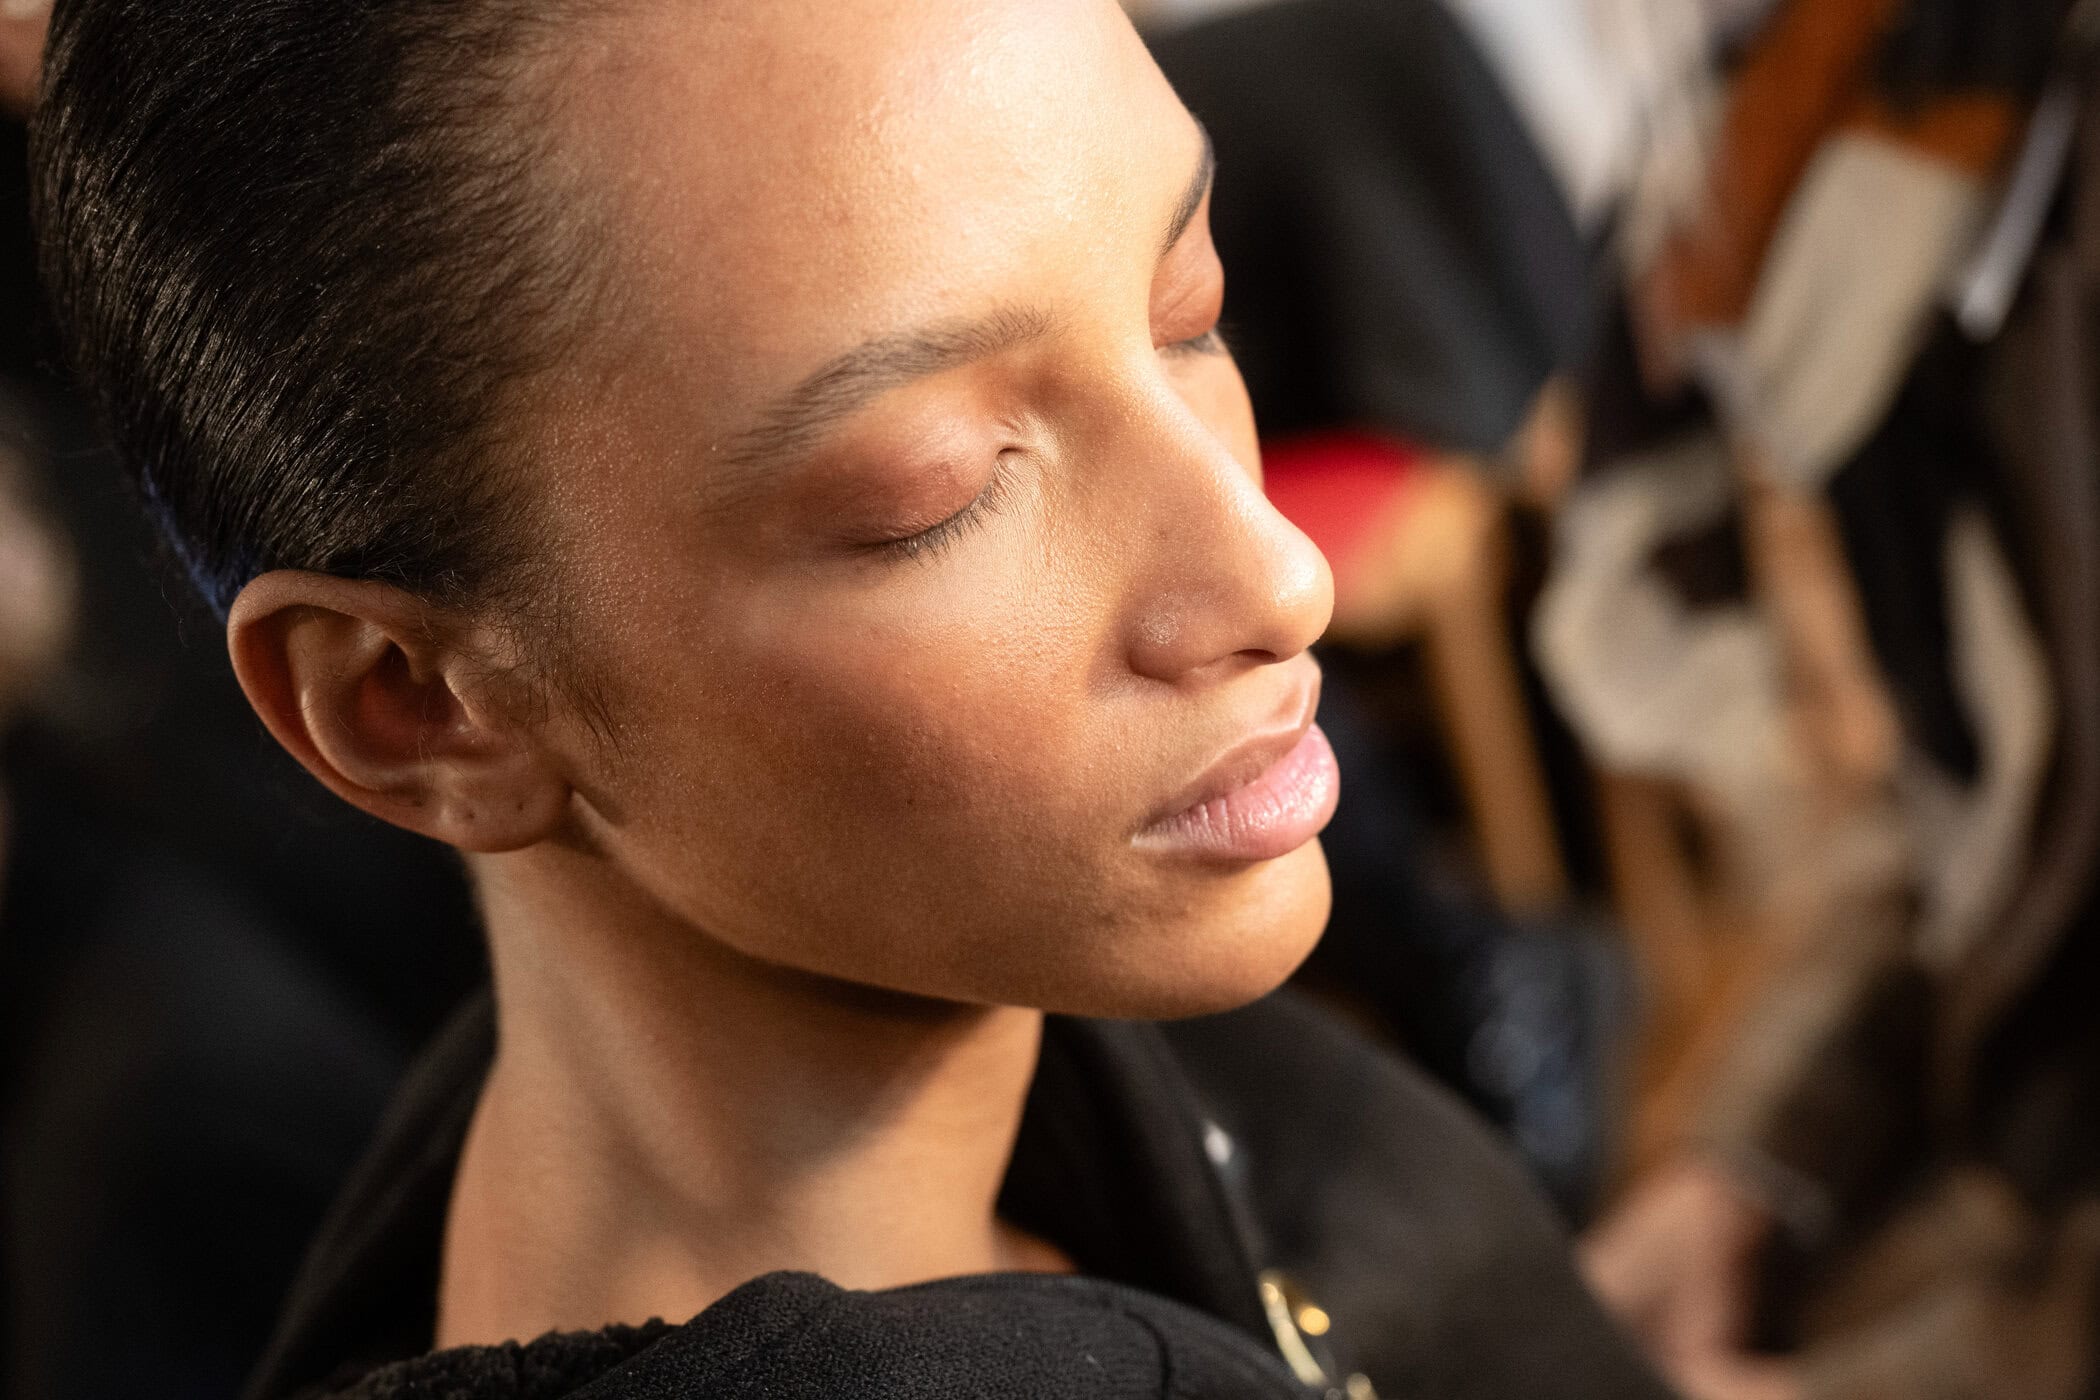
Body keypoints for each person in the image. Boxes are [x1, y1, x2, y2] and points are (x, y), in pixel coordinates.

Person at [30, 2, 1675, 1397]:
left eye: (1188, 308)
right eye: (937, 494)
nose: (1279, 578)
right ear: (420, 704)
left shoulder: (1026, 1020)